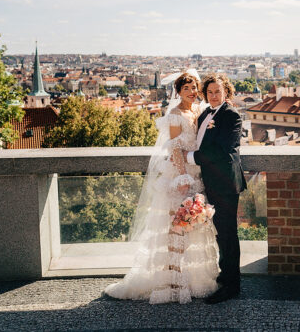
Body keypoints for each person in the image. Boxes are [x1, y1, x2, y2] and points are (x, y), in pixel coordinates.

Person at [104, 70, 219, 304]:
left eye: (194, 87)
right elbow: (175, 149)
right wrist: (183, 178)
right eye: (186, 88)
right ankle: (173, 280)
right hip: (179, 175)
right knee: (175, 226)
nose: (191, 92)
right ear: (178, 92)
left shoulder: (199, 111)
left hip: (197, 174)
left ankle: (192, 278)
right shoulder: (176, 115)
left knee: (194, 227)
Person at [184, 73, 247, 304]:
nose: (213, 95)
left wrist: (190, 157)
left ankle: (232, 285)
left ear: (226, 92)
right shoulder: (205, 114)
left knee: (228, 234)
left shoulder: (231, 114)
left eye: (217, 91)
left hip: (226, 184)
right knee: (221, 232)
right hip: (212, 183)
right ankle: (226, 276)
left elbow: (222, 150)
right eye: (209, 92)